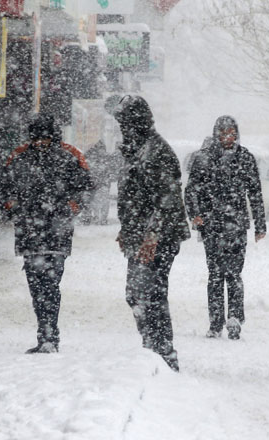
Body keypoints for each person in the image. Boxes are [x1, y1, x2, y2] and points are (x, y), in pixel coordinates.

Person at [1, 114, 93, 354]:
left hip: (56, 232)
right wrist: (11, 205)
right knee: (36, 285)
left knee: (50, 285)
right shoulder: (19, 157)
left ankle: (49, 335)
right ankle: (46, 333)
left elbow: (86, 186)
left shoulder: (69, 156)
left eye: (45, 138)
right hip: (31, 231)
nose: (41, 142)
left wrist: (74, 206)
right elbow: (2, 186)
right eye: (37, 138)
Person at [112, 95, 190, 372]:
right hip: (140, 234)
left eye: (124, 121)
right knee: (137, 294)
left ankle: (163, 352)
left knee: (150, 293)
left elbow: (167, 199)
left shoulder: (157, 151)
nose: (122, 127)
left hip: (160, 237)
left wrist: (152, 236)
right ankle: (153, 347)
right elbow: (132, 196)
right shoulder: (136, 149)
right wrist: (126, 229)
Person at [184, 115, 266, 340]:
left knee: (234, 274)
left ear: (237, 134)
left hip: (237, 225)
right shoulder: (203, 159)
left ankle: (235, 318)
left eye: (231, 133)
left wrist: (260, 224)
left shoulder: (245, 158)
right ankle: (215, 321)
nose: (228, 138)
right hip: (212, 226)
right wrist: (196, 215)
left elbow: (255, 193)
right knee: (215, 275)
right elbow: (191, 191)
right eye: (223, 133)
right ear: (216, 134)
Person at [81, 140, 116, 225]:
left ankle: (91, 218)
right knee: (95, 202)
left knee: (91, 202)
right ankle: (96, 218)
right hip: (96, 184)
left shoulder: (90, 158)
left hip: (94, 184)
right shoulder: (103, 159)